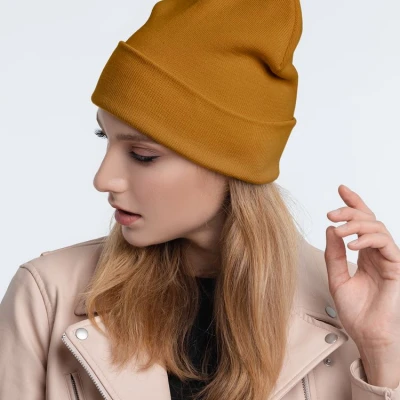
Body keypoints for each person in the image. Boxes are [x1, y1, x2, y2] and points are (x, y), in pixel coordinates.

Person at [1, 0, 400, 399]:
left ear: (233, 165)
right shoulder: (46, 296)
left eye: (142, 155)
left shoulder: (351, 305)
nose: (102, 179)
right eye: (104, 137)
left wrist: (380, 351)